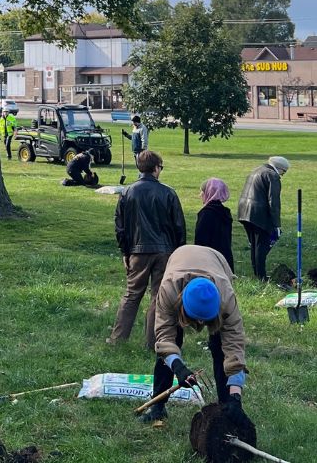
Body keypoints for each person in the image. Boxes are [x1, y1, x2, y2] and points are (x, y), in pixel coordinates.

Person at [141, 244, 248, 425]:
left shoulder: (226, 297)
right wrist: (178, 367)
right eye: (195, 319)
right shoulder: (168, 290)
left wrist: (235, 396)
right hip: (180, 258)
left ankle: (225, 405)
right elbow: (164, 337)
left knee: (219, 347)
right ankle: (157, 407)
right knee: (173, 342)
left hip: (216, 261)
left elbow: (234, 345)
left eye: (205, 320)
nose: (199, 325)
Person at [108, 149, 185, 349]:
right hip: (164, 252)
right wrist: (179, 253)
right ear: (156, 168)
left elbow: (121, 227)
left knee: (132, 295)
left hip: (137, 251)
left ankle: (118, 339)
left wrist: (125, 252)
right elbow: (179, 227)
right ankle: (153, 342)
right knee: (158, 298)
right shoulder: (168, 193)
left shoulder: (127, 192)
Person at [236, 156, 289, 281]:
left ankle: (257, 273)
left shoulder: (256, 170)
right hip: (258, 214)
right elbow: (274, 202)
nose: (283, 175)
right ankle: (261, 277)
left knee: (254, 245)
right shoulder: (273, 176)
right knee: (261, 246)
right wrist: (276, 225)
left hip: (244, 211)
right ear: (279, 168)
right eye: (284, 171)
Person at [195, 178, 235, 272]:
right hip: (224, 258)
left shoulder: (206, 213)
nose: (200, 195)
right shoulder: (225, 213)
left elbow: (200, 240)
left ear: (208, 193)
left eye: (202, 192)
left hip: (210, 260)